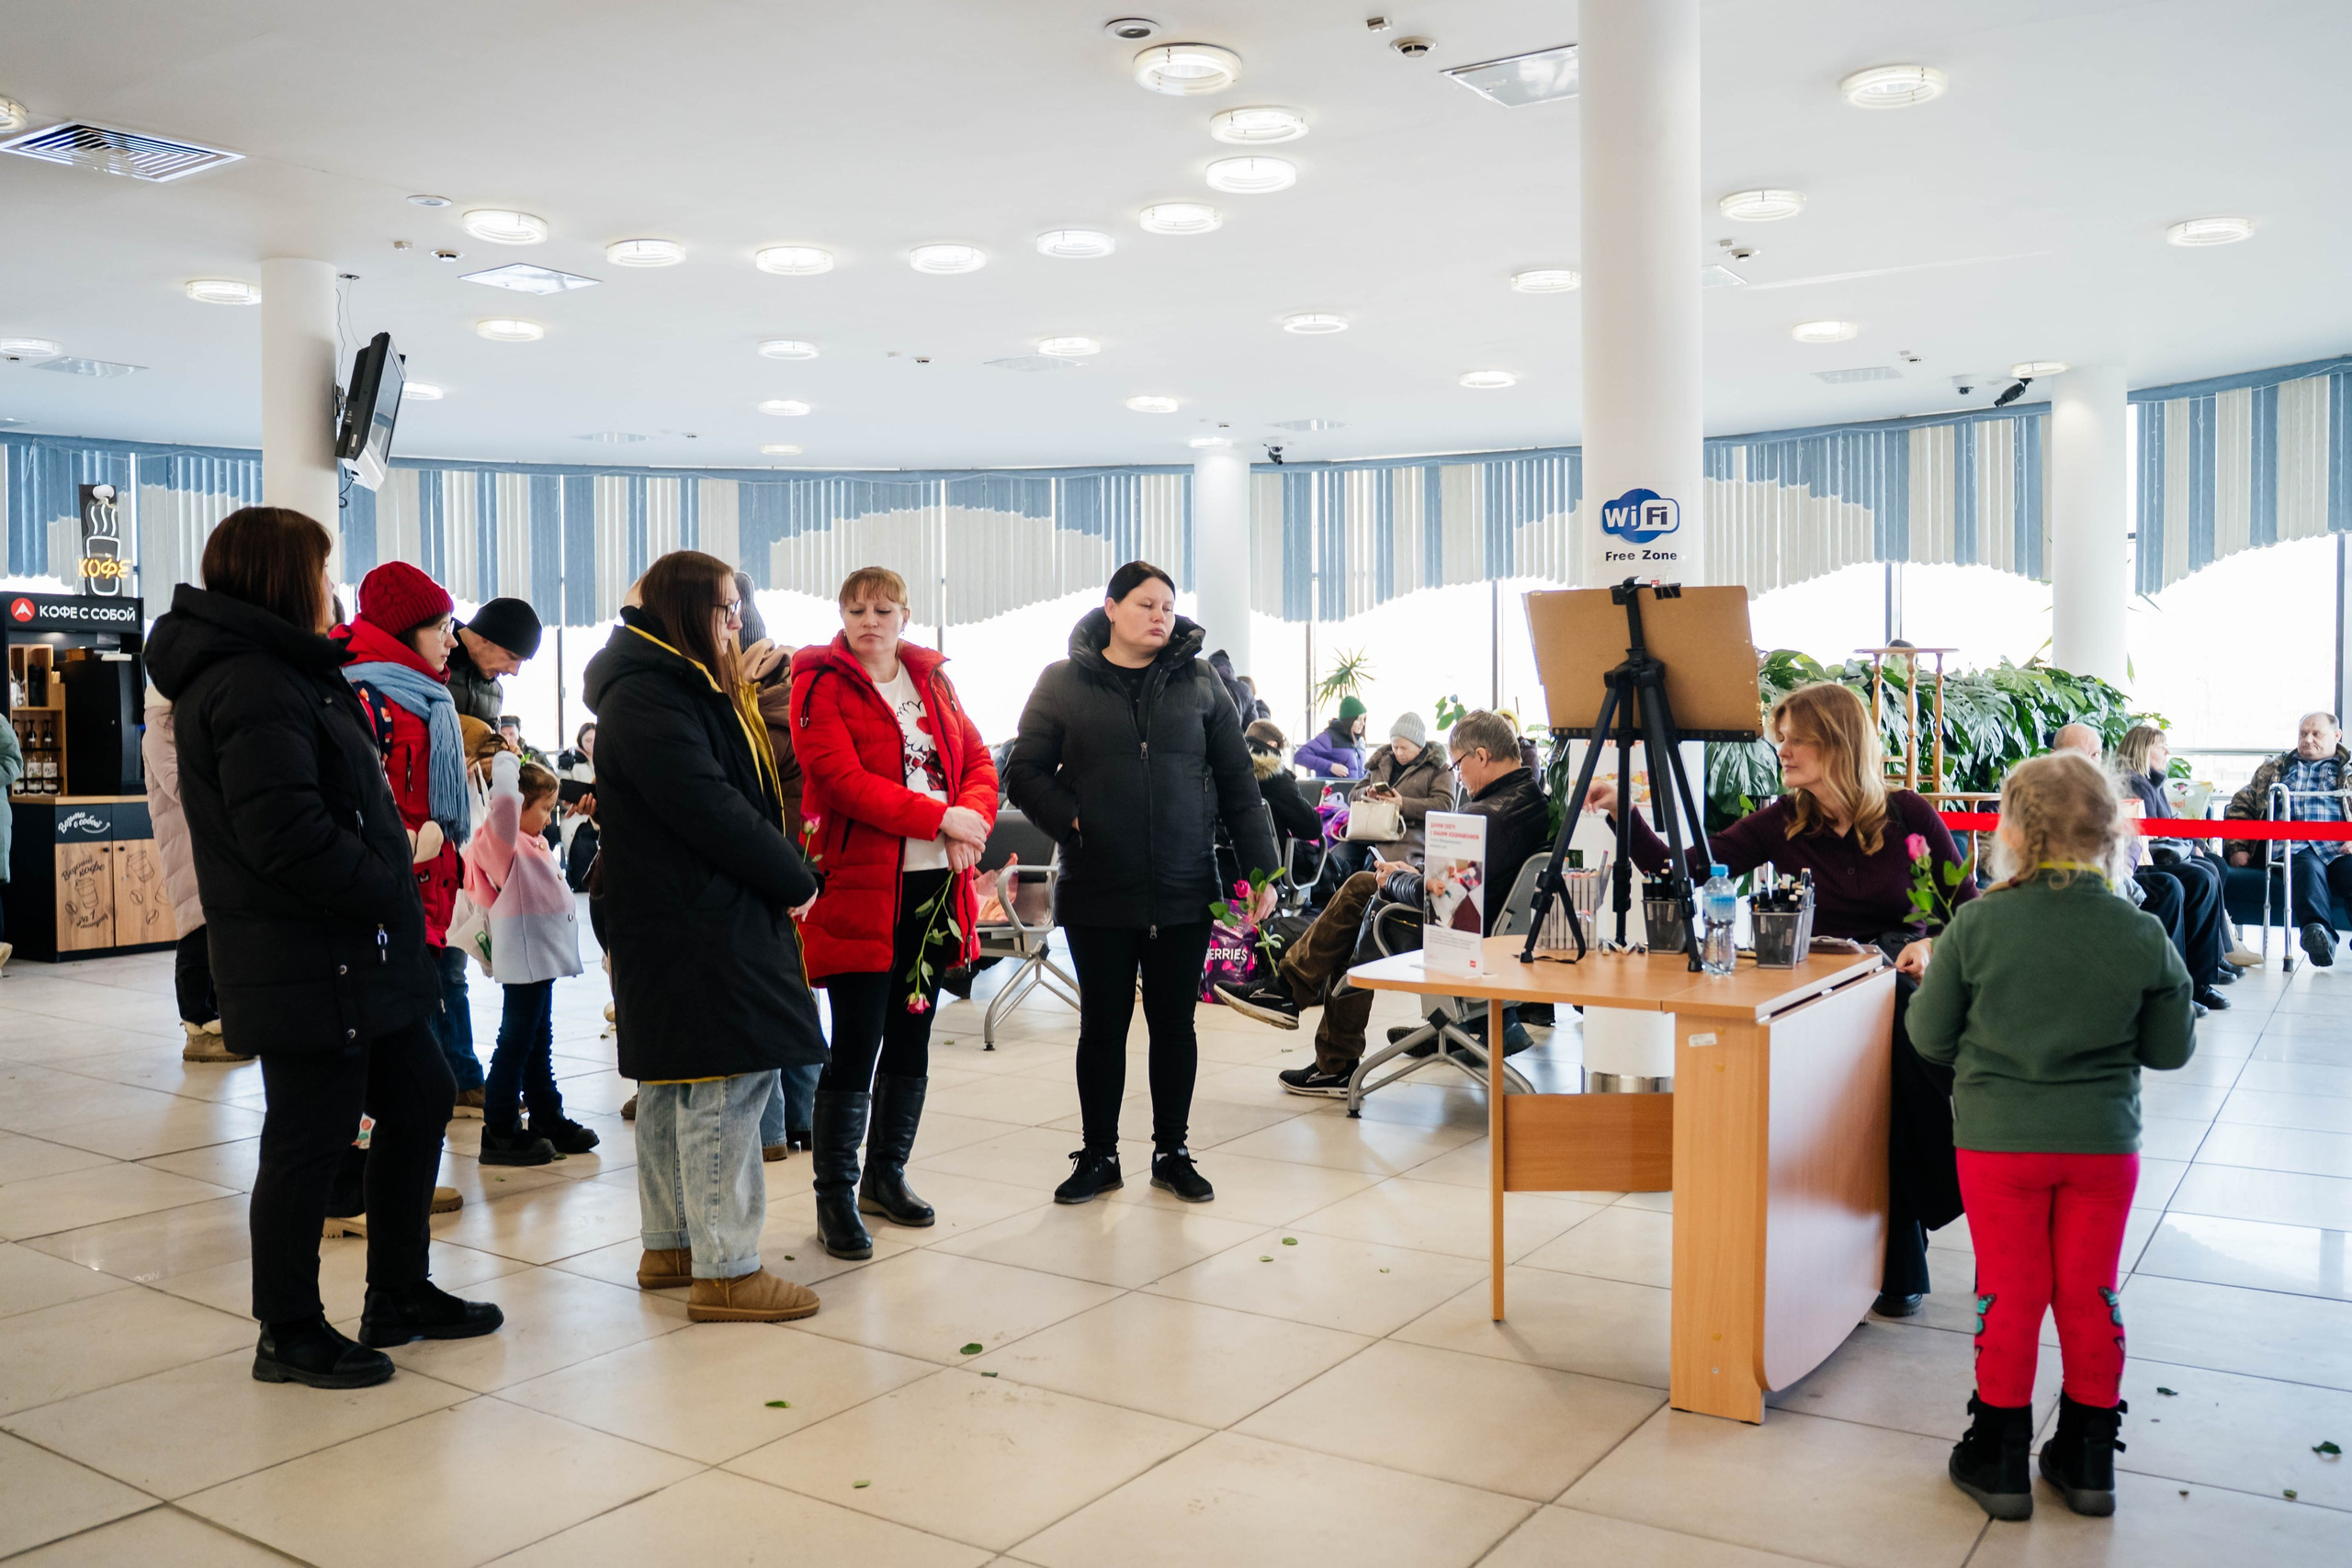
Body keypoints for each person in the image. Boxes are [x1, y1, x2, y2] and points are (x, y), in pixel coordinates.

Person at [147, 506, 501, 1389]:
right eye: (320, 569)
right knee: (309, 1137)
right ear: (281, 577)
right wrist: (393, 867)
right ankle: (290, 1328)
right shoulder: (251, 683)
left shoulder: (289, 670)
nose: (331, 587)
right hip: (304, 954)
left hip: (349, 948)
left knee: (419, 1095)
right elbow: (288, 836)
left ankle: (399, 1290)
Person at [1591, 681, 1976, 1319]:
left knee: (1902, 1064)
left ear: (1840, 742)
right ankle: (1896, 1238)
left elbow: (1965, 911)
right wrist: (1623, 817)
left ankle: (1906, 1235)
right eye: (1783, 736)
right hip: (1823, 992)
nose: (1784, 749)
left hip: (1902, 983)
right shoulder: (1785, 821)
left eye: (1798, 738)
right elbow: (1686, 870)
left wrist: (1932, 943)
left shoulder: (1907, 815)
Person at [1912, 751, 2195, 1521]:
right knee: (2089, 1290)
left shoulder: (1979, 922)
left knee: (2011, 1287)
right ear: (2113, 832)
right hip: (2104, 1144)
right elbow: (2172, 1049)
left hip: (1999, 1142)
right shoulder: (2138, 929)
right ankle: (2088, 1456)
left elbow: (1928, 1036)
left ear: (2009, 831)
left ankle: (1998, 1454)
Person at [584, 548, 826, 1323]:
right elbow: (712, 806)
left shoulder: (665, 679)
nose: (735, 622)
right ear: (688, 611)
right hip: (697, 914)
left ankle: (674, 1243)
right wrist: (794, 875)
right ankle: (726, 1266)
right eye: (724, 609)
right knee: (725, 1079)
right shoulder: (653, 691)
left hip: (677, 912)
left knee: (676, 1077)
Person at [1006, 560, 1279, 1205]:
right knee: (1101, 1025)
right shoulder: (1063, 681)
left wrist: (1261, 869)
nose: (1161, 615)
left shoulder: (1202, 682)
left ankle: (1172, 1150)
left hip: (1185, 884)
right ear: (1111, 607)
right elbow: (1023, 770)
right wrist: (1072, 817)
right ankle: (1099, 1153)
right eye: (1146, 604)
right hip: (1098, 883)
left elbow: (1242, 786)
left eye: (1168, 605)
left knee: (1174, 1024)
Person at [790, 567, 997, 1258]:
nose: (869, 621)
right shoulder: (817, 683)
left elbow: (978, 763)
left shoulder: (931, 680)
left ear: (906, 614)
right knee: (855, 1042)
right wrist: (944, 818)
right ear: (841, 615)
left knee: (912, 1036)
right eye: (856, 609)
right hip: (862, 887)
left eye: (882, 609)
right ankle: (834, 1196)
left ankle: (886, 1175)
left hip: (934, 888)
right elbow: (840, 782)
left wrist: (970, 823)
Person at [1217, 710, 1549, 1094]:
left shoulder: (1483, 816)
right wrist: (1406, 874)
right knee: (1359, 899)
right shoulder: (1530, 800)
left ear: (1481, 755)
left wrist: (1395, 879)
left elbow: (1439, 895)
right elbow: (1453, 884)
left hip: (1454, 934)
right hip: (1488, 927)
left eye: (1459, 765)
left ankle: (1297, 1006)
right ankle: (1298, 1010)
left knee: (1359, 901)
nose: (1458, 775)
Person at [338, 563, 485, 1115]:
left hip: (432, 883)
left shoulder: (427, 694)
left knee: (432, 1005)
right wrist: (405, 843)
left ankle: (407, 1161)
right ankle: (383, 1170)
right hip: (391, 886)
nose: (452, 642)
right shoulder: (364, 691)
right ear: (402, 631)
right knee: (400, 1038)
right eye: (440, 628)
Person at [465, 750, 596, 1165]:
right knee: (516, 1041)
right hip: (523, 959)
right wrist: (506, 758)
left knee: (539, 1038)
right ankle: (500, 1128)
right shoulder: (501, 843)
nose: (549, 816)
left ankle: (545, 1115)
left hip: (539, 960)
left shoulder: (532, 841)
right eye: (543, 808)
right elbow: (503, 801)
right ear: (519, 805)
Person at [2053, 723, 2229, 1011]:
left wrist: (2123, 865)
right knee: (2171, 887)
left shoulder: (2107, 787)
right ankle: (2164, 994)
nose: (2088, 762)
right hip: (2077, 870)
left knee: (2198, 878)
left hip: (2121, 867)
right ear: (2056, 753)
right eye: (2078, 754)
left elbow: (2134, 834)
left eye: (2094, 754)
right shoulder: (2042, 786)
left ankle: (2194, 984)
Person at [733, 575, 818, 1159]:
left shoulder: (753, 722)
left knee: (766, 996)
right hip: (806, 864)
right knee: (800, 993)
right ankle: (807, 1117)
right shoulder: (811, 717)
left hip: (767, 866)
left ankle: (769, 1131)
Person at [143, 690, 245, 1062]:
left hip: (205, 840)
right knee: (194, 929)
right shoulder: (157, 731)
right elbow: (177, 784)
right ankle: (196, 1019)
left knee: (212, 927)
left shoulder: (187, 727)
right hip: (183, 845)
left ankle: (216, 1016)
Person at [2223, 711, 2351, 968]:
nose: (2308, 739)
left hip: (2339, 846)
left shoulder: (2348, 772)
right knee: (2305, 867)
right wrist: (2237, 846)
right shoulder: (2275, 770)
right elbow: (2240, 805)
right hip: (2292, 846)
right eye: (2303, 734)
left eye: (2317, 734)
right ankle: (2320, 935)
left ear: (2336, 736)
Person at [1341, 711, 1452, 868]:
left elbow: (1444, 805)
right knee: (1340, 861)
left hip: (1408, 835)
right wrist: (1366, 793)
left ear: (1419, 746)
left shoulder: (1437, 768)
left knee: (1378, 866)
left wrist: (1403, 805)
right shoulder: (1379, 764)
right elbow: (1353, 795)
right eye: (1395, 747)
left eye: (1404, 748)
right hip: (1368, 831)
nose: (1399, 753)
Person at [445, 596, 542, 726]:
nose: (514, 671)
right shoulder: (430, 665)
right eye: (512, 657)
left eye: (521, 662)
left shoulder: (494, 692)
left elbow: (489, 743)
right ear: (485, 637)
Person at [1246, 721, 1324, 845]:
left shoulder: (1228, 770)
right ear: (1272, 745)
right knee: (1342, 864)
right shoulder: (1275, 777)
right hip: (1275, 860)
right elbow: (1312, 828)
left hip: (1227, 858)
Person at [556, 722, 599, 890]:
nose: (592, 744)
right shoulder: (569, 760)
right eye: (588, 740)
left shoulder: (605, 758)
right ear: (580, 740)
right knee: (582, 841)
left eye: (596, 740)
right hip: (576, 816)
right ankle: (582, 883)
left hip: (599, 812)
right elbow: (561, 793)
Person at [1294, 696, 1368, 780]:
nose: (1363, 723)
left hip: (1358, 792)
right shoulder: (1329, 737)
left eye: (1364, 719)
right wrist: (1330, 766)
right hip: (1336, 791)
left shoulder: (1360, 742)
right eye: (1358, 719)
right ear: (1349, 720)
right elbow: (1300, 756)